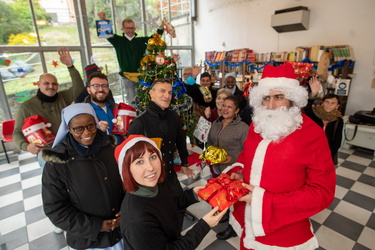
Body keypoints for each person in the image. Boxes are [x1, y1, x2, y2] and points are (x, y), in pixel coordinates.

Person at [222, 64, 336, 249]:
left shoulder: (312, 134)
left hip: (284, 230)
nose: (271, 105)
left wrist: (260, 201)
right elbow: (247, 155)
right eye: (266, 98)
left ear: (293, 99)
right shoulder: (257, 125)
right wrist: (239, 172)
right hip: (248, 221)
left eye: (279, 97)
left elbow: (322, 193)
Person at [115, 135, 228, 250]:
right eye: (139, 162)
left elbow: (168, 204)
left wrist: (193, 194)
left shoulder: (155, 185)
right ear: (126, 170)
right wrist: (205, 225)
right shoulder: (137, 222)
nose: (150, 167)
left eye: (153, 157)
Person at [41, 103, 125, 250]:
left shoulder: (111, 149)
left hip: (122, 233)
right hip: (88, 242)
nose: (86, 132)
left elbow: (127, 184)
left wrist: (127, 210)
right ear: (68, 129)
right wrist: (96, 226)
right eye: (78, 128)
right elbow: (55, 209)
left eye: (90, 126)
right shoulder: (57, 163)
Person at [127, 79, 194, 229]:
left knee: (179, 207)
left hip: (170, 175)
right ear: (151, 94)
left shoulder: (173, 116)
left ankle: (176, 236)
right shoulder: (139, 123)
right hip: (150, 180)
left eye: (169, 92)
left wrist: (184, 163)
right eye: (162, 91)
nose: (167, 95)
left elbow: (180, 140)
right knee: (158, 214)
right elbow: (130, 159)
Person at [13, 47, 84, 167]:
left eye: (54, 84)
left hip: (69, 147)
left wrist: (70, 66)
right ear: (38, 84)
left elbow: (78, 87)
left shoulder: (63, 97)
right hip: (46, 153)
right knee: (55, 184)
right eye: (46, 83)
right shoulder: (27, 107)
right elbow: (16, 132)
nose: (51, 86)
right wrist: (26, 146)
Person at [98, 12, 164, 106]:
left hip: (141, 75)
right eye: (128, 28)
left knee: (144, 99)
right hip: (127, 76)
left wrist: (161, 27)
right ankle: (134, 119)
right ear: (123, 29)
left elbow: (154, 39)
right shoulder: (118, 41)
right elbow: (107, 33)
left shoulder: (140, 41)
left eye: (132, 28)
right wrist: (103, 19)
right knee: (132, 100)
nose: (130, 30)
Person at [304, 75, 343, 164]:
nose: (329, 105)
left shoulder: (338, 120)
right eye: (327, 102)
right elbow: (307, 108)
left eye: (333, 103)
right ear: (322, 103)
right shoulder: (315, 114)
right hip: (310, 150)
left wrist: (329, 155)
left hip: (326, 152)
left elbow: (337, 141)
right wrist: (313, 94)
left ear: (337, 106)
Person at [207, 95, 248, 176]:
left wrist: (232, 158)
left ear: (236, 111)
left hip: (232, 171)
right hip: (214, 168)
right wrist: (210, 154)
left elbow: (247, 151)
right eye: (224, 105)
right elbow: (209, 142)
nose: (225, 109)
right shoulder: (216, 123)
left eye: (229, 107)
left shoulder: (243, 128)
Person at [83, 71, 123, 143]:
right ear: (88, 90)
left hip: (123, 150)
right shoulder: (83, 112)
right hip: (101, 153)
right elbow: (80, 138)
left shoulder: (118, 108)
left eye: (104, 86)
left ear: (108, 89)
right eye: (96, 86)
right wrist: (95, 129)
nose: (101, 89)